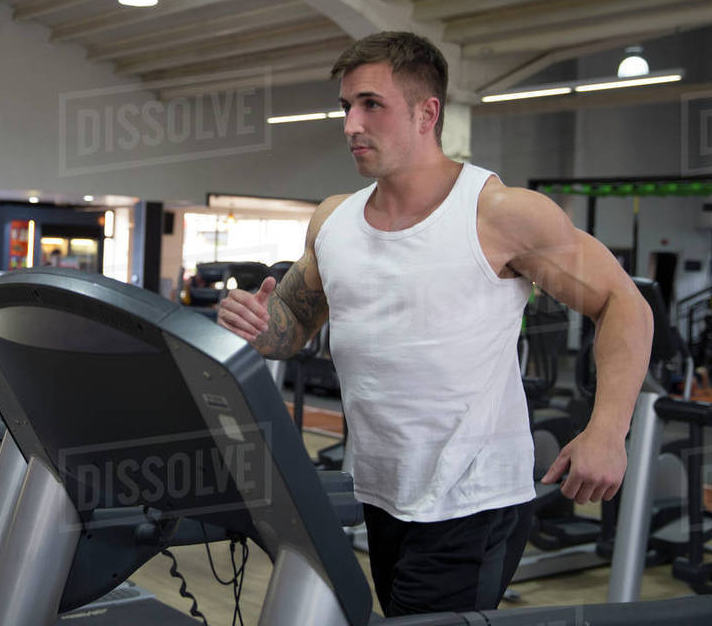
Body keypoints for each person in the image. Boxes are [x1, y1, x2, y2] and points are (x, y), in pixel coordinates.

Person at [217, 32, 652, 616]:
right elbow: (290, 326)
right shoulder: (333, 221)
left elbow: (624, 302)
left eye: (372, 104)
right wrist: (254, 321)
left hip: (473, 502)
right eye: (346, 106)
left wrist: (608, 431)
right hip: (383, 493)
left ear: (427, 113)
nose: (350, 124)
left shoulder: (499, 214)